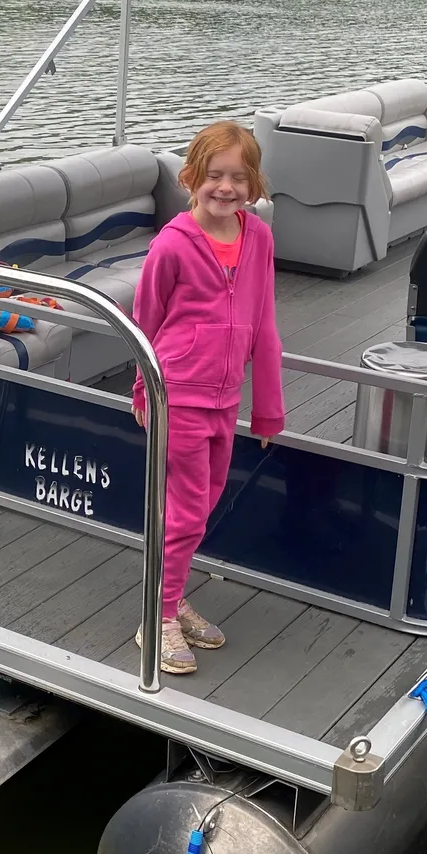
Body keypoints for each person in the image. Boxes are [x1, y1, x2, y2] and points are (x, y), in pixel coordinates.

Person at [130, 120, 285, 674]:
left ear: (253, 183)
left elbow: (264, 325)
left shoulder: (259, 239)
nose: (226, 188)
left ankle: (169, 596)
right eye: (214, 176)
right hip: (176, 396)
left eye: (238, 177)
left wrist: (267, 407)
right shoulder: (170, 246)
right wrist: (143, 392)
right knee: (189, 511)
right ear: (191, 178)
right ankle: (159, 615)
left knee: (200, 505)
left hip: (226, 400)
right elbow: (145, 325)